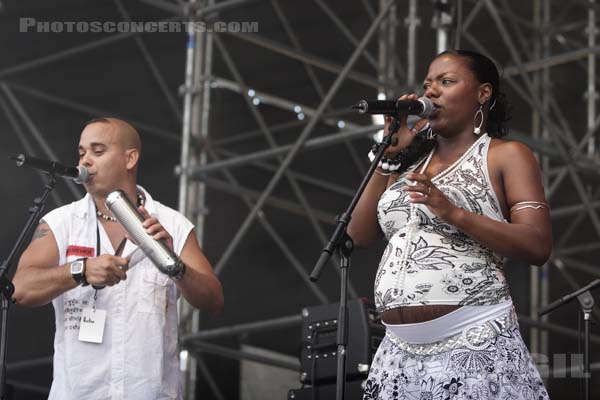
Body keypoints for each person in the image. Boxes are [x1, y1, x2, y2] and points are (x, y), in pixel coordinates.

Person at [348, 50, 552, 399]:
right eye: (428, 85)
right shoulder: (408, 166)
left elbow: (537, 244)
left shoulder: (506, 155)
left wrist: (453, 211)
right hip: (398, 352)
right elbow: (357, 234)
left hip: (474, 339)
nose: (431, 93)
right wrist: (390, 156)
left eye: (446, 81)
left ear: (482, 93)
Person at [12, 117, 224, 399]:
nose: (86, 161)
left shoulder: (172, 224)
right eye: (81, 152)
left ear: (130, 158)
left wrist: (174, 265)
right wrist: (80, 271)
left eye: (97, 151)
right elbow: (19, 289)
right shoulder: (60, 223)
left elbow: (213, 301)